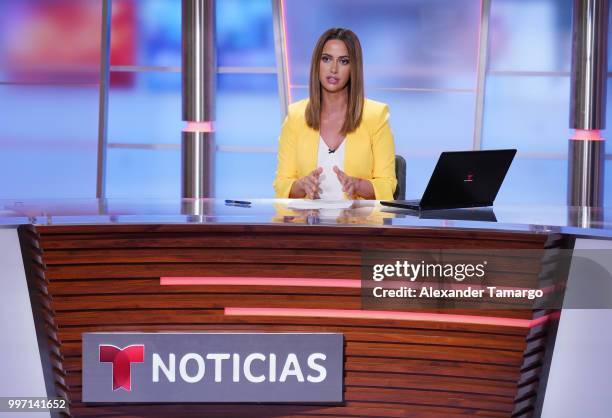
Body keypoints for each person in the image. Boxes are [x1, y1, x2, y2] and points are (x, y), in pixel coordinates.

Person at [273, 28, 397, 201]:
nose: (333, 69)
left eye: (344, 61)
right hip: (306, 225)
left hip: (357, 225)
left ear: (354, 67)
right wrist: (301, 185)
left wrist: (357, 185)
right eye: (326, 59)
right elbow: (282, 183)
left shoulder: (376, 116)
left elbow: (387, 184)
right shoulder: (296, 115)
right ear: (317, 63)